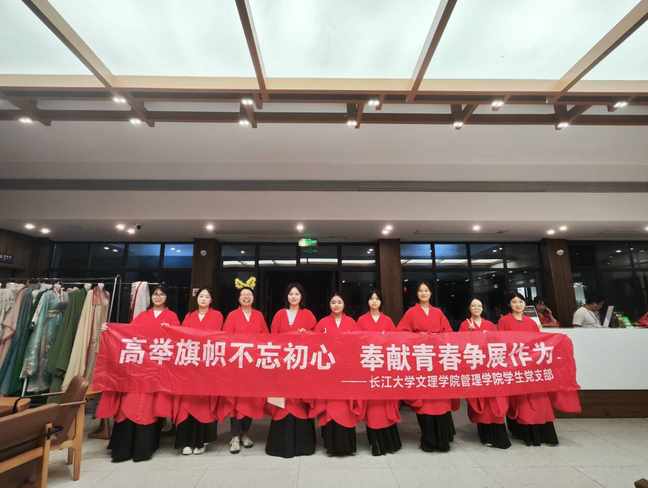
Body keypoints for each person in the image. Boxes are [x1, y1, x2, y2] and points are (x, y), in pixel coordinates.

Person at [97, 284, 181, 462]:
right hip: (138, 369)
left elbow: (178, 341)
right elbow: (127, 335)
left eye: (162, 294)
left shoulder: (172, 317)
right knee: (129, 403)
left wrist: (170, 331)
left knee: (149, 407)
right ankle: (122, 448)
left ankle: (145, 448)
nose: (158, 297)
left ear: (167, 297)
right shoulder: (142, 315)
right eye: (155, 294)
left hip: (158, 369)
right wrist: (109, 329)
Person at [397, 281, 458, 452]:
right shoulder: (410, 313)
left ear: (431, 293)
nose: (423, 293)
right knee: (424, 399)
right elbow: (400, 334)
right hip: (421, 360)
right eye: (420, 290)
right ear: (417, 294)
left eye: (426, 290)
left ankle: (443, 439)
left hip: (437, 360)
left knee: (440, 398)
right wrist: (418, 337)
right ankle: (428, 439)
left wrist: (436, 338)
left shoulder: (438, 312)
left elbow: (448, 333)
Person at [498, 292, 559, 446]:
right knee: (520, 400)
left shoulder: (531, 322)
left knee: (539, 400)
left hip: (531, 365)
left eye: (521, 302)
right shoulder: (504, 321)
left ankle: (544, 433)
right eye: (514, 302)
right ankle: (522, 432)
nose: (518, 305)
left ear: (525, 304)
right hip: (514, 366)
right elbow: (501, 343)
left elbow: (539, 343)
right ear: (509, 305)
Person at [265, 283, 318, 458]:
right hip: (283, 364)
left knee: (300, 401)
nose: (293, 297)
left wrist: (306, 334)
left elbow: (316, 339)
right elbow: (273, 339)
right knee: (283, 401)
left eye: (296, 294)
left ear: (302, 296)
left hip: (301, 366)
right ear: (286, 296)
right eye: (290, 294)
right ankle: (281, 445)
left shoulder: (308, 315)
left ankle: (303, 446)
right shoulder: (279, 314)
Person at [174, 286, 223, 455]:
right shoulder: (189, 316)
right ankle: (187, 441)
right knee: (188, 401)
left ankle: (201, 441)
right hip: (190, 365)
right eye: (201, 296)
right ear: (197, 299)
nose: (203, 299)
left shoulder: (217, 316)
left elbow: (216, 337)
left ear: (211, 300)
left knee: (204, 404)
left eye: (207, 297)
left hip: (208, 365)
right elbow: (182, 337)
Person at [313, 292, 362, 455]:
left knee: (345, 407)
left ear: (344, 305)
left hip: (346, 370)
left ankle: (347, 445)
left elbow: (358, 344)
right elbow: (315, 344)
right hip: (328, 371)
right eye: (333, 302)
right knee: (330, 406)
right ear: (329, 305)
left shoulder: (352, 322)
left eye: (339, 302)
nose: (336, 305)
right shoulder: (322, 323)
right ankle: (331, 445)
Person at [222, 284, 268, 454]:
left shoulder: (259, 315)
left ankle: (245, 433)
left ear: (253, 298)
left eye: (249, 294)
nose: (246, 297)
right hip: (237, 365)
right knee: (236, 401)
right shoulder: (232, 315)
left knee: (251, 400)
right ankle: (234, 436)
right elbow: (226, 339)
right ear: (239, 298)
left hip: (253, 366)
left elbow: (266, 339)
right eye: (243, 295)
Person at [459, 298, 510, 449]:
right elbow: (460, 346)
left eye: (479, 306)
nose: (476, 308)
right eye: (473, 306)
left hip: (491, 367)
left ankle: (499, 435)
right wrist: (471, 334)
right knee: (481, 401)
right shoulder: (464, 325)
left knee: (495, 400)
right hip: (475, 368)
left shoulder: (489, 325)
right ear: (469, 308)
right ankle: (485, 434)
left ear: (483, 308)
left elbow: (498, 344)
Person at [356, 289, 402, 456]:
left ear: (381, 302)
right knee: (373, 407)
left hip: (384, 368)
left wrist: (387, 339)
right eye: (371, 298)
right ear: (367, 302)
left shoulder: (387, 320)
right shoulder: (361, 320)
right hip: (369, 367)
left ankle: (390, 443)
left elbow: (396, 342)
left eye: (377, 299)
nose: (374, 301)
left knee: (385, 405)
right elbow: (356, 342)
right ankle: (375, 443)